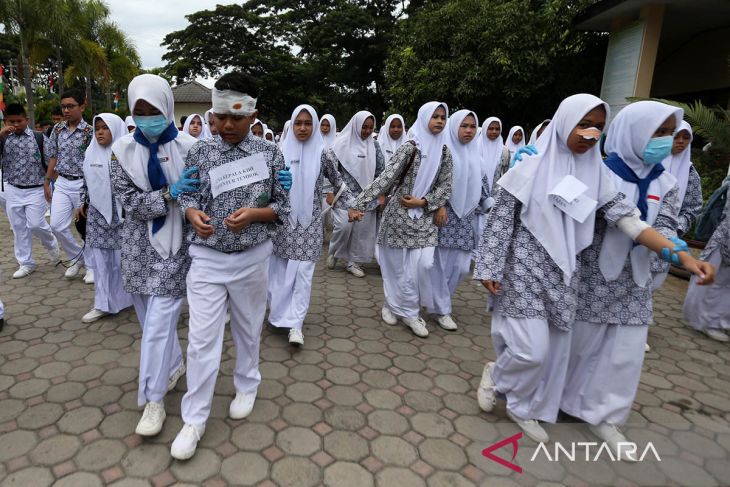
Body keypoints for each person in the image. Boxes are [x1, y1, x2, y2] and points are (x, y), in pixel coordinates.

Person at [475, 95, 714, 449]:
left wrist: (683, 258)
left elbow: (629, 221)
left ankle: (523, 406)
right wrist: (490, 265)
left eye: (598, 127)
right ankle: (498, 375)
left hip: (568, 271)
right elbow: (499, 222)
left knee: (552, 353)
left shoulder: (598, 174)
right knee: (530, 351)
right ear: (564, 123)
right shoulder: (528, 168)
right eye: (583, 124)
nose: (590, 134)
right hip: (523, 268)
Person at [559, 100, 715, 459]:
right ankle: (563, 399)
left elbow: (664, 225)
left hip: (637, 279)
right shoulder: (598, 171)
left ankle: (604, 415)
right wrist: (683, 257)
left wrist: (675, 245)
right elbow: (610, 218)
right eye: (656, 132)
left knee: (625, 351)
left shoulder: (667, 182)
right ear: (632, 131)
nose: (663, 140)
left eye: (668, 133)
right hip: (592, 273)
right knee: (581, 344)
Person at [172, 72, 290, 460]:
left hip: (252, 258)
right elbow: (186, 197)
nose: (226, 125)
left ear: (252, 115)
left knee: (247, 328)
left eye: (236, 117)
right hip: (206, 259)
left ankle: (247, 383)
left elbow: (283, 208)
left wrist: (256, 214)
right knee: (203, 338)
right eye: (220, 117)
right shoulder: (200, 153)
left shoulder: (270, 154)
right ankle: (195, 418)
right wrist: (191, 213)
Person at [111, 74, 197, 438]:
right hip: (136, 246)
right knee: (151, 325)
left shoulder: (191, 148)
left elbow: (208, 191)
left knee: (160, 324)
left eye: (153, 110)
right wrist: (167, 195)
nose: (147, 117)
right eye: (139, 111)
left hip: (176, 246)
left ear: (167, 108)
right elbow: (130, 203)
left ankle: (153, 399)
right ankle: (173, 366)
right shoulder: (120, 151)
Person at [350, 101, 453, 337]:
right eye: (435, 116)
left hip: (424, 218)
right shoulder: (410, 148)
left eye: (442, 117)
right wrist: (358, 204)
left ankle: (408, 312)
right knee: (397, 268)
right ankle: (394, 306)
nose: (439, 121)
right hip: (398, 217)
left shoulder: (445, 151)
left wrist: (424, 202)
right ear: (424, 118)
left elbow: (445, 185)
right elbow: (385, 179)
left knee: (423, 266)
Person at [269, 105, 358, 345]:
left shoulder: (323, 153)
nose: (303, 128)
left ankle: (296, 324)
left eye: (308, 123)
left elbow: (338, 184)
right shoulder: (278, 152)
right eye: (298, 123)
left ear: (315, 125)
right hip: (282, 225)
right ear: (292, 124)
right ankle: (279, 314)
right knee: (279, 273)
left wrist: (353, 205)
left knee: (304, 275)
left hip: (309, 225)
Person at [423, 109, 485, 330]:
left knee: (460, 268)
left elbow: (483, 181)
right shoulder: (443, 151)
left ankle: (439, 301)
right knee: (439, 264)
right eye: (464, 126)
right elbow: (433, 181)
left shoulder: (476, 153)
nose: (469, 131)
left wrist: (487, 202)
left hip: (467, 216)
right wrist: (438, 205)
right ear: (454, 126)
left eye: (472, 126)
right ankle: (441, 308)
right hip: (445, 214)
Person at [77, 113, 134, 323]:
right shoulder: (90, 152)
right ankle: (103, 303)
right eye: (97, 128)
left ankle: (129, 299)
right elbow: (85, 181)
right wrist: (81, 202)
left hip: (124, 216)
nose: (100, 132)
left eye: (105, 128)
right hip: (98, 215)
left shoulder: (127, 152)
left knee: (124, 261)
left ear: (116, 128)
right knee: (101, 262)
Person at [1, 103, 60, 278]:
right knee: (19, 228)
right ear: (6, 121)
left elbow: (52, 159)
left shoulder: (38, 137)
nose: (16, 124)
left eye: (19, 121)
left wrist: (49, 182)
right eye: (11, 121)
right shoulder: (3, 138)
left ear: (26, 120)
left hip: (36, 189)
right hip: (12, 188)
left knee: (35, 224)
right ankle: (26, 262)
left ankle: (51, 244)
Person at [326, 111, 385, 277]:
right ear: (355, 125)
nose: (367, 131)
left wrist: (381, 194)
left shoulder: (374, 146)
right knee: (343, 228)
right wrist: (330, 191)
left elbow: (381, 172)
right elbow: (329, 170)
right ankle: (334, 251)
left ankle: (353, 263)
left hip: (367, 196)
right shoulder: (339, 144)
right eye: (364, 127)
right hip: (344, 195)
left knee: (362, 232)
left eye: (370, 128)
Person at [43, 89, 93, 280]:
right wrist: (47, 181)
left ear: (82, 106)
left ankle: (92, 267)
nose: (66, 110)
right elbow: (53, 157)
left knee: (85, 227)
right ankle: (77, 258)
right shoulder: (57, 130)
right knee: (56, 225)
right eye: (63, 106)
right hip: (62, 182)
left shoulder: (90, 132)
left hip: (83, 183)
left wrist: (89, 192)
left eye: (70, 106)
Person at [683, 183, 730, 341]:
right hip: (725, 240)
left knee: (723, 285)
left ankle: (717, 321)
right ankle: (705, 321)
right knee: (713, 280)